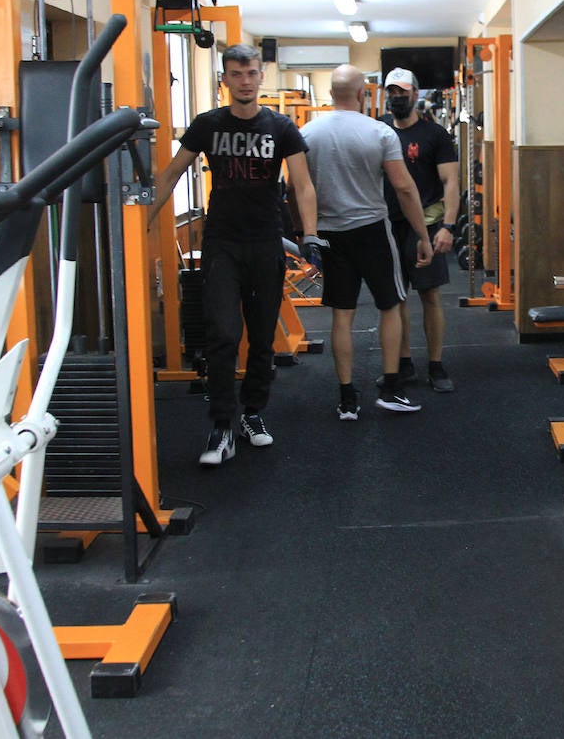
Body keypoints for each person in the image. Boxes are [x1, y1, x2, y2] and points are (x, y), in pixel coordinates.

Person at [151, 43, 317, 467]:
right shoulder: (207, 125)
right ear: (224, 80)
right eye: (236, 74)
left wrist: (311, 234)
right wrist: (139, 223)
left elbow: (302, 185)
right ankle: (222, 423)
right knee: (223, 334)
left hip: (265, 242)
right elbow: (171, 174)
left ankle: (254, 413)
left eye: (251, 74)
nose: (245, 81)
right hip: (222, 242)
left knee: (261, 337)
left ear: (261, 77)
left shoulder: (282, 127)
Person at [301, 64, 433, 419]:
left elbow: (299, 189)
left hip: (330, 234)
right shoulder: (380, 132)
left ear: (330, 94)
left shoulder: (308, 133)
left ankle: (347, 399)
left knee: (342, 316)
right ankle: (391, 388)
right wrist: (423, 235)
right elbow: (404, 188)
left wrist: (309, 233)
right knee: (390, 306)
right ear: (363, 94)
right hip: (372, 230)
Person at [378, 67, 460, 393]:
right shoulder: (379, 130)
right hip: (387, 225)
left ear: (415, 93)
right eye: (392, 92)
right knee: (396, 298)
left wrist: (449, 226)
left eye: (403, 91)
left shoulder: (435, 135)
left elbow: (451, 182)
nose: (397, 97)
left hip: (425, 224)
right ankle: (404, 364)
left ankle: (437, 366)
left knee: (429, 295)